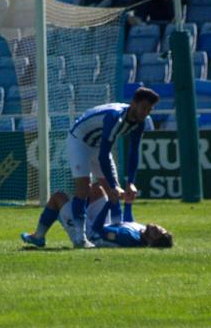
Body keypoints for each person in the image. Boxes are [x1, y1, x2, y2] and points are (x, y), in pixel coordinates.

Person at [66, 87, 159, 248]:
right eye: (144, 108)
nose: (146, 113)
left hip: (98, 144)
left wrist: (130, 182)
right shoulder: (115, 118)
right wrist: (114, 185)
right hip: (80, 140)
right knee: (83, 188)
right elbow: (103, 156)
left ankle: (117, 229)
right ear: (133, 104)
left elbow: (133, 152)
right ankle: (79, 238)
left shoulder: (140, 123)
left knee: (114, 192)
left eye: (149, 109)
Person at [20, 184, 173, 248]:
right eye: (162, 228)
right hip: (103, 225)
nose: (157, 227)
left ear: (151, 241)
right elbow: (127, 222)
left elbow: (98, 230)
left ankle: (39, 236)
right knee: (97, 189)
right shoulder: (140, 230)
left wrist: (109, 204)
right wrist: (128, 202)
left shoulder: (128, 238)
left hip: (88, 234)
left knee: (57, 197)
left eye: (157, 232)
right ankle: (67, 214)